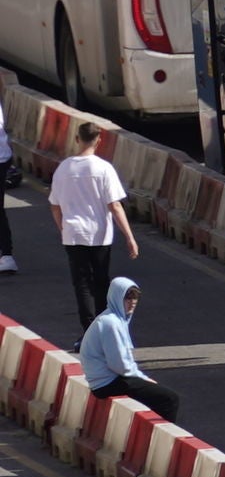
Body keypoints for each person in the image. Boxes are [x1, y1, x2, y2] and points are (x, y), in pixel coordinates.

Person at [50, 121, 134, 329]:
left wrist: (63, 228)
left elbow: (54, 205)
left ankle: (88, 329)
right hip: (100, 234)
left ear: (77, 139)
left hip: (73, 234)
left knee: (82, 283)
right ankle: (103, 325)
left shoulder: (63, 168)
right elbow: (115, 205)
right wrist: (129, 237)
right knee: (101, 280)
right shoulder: (104, 168)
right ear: (99, 140)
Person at [77, 275, 175, 420]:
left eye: (135, 297)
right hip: (107, 383)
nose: (133, 302)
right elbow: (119, 364)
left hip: (107, 380)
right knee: (170, 399)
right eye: (128, 297)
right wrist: (143, 378)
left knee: (154, 395)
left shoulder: (114, 319)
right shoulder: (111, 323)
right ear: (116, 297)